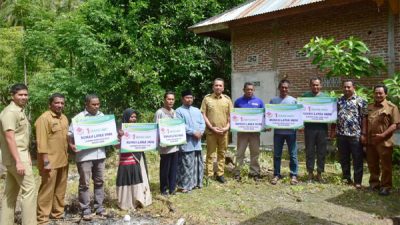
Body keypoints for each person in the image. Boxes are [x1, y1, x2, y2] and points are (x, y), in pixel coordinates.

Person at [0, 83, 37, 225]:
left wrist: (26, 155)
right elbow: (9, 138)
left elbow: (20, 138)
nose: (23, 97)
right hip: (16, 158)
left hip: (17, 157)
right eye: (20, 94)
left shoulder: (18, 111)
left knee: (9, 194)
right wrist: (19, 161)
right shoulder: (10, 112)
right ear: (12, 96)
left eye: (25, 94)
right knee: (29, 191)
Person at [68, 94, 107, 221]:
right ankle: (85, 209)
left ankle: (99, 207)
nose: (96, 106)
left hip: (100, 154)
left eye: (98, 104)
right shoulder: (79, 118)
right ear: (87, 104)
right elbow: (69, 134)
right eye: (93, 104)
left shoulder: (102, 117)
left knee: (100, 181)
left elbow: (108, 132)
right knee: (84, 183)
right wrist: (71, 145)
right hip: (84, 155)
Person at [35, 93, 69, 224]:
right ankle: (42, 218)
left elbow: (66, 138)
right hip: (49, 162)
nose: (60, 105)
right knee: (46, 190)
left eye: (62, 103)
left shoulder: (64, 118)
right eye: (57, 103)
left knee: (60, 189)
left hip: (63, 160)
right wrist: (45, 162)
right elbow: (41, 142)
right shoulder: (44, 119)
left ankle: (57, 214)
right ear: (50, 104)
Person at [332, 80, 367, 189]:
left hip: (355, 134)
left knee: (357, 158)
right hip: (341, 134)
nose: (346, 89)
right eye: (345, 87)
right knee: (344, 158)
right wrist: (333, 130)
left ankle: (357, 181)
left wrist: (364, 133)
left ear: (353, 87)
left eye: (349, 87)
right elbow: (334, 116)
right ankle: (346, 178)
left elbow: (364, 118)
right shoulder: (338, 101)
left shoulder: (360, 101)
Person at [366, 84, 400, 195]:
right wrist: (363, 135)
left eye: (380, 93)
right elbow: (365, 121)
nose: (378, 95)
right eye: (376, 93)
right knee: (372, 163)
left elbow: (395, 125)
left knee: (386, 165)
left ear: (386, 94)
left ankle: (386, 186)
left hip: (385, 140)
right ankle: (374, 183)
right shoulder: (369, 106)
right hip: (371, 141)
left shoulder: (392, 107)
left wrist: (383, 135)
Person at [116, 108, 152, 209]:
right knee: (125, 178)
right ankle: (126, 203)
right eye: (131, 117)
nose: (133, 119)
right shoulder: (120, 129)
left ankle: (139, 200)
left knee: (137, 177)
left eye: (135, 117)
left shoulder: (139, 128)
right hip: (126, 158)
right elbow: (116, 145)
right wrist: (120, 137)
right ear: (126, 117)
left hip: (137, 157)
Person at [201, 78, 233, 183]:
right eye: (216, 85)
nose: (218, 87)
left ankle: (220, 174)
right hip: (211, 132)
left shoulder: (227, 100)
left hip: (224, 132)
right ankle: (209, 175)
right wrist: (211, 127)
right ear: (213, 87)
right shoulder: (207, 99)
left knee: (222, 153)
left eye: (220, 85)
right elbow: (203, 115)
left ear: (223, 88)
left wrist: (227, 127)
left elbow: (231, 116)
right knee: (210, 154)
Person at [233, 82, 264, 181]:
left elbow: (263, 116)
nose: (249, 91)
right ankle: (238, 172)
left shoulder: (259, 102)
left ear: (254, 90)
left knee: (255, 152)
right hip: (242, 132)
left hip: (255, 133)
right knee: (240, 152)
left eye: (251, 89)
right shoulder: (238, 102)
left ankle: (254, 172)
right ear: (244, 90)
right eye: (247, 89)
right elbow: (235, 116)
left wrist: (265, 125)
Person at [269, 79, 298, 185]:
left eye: (286, 87)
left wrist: (299, 125)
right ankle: (276, 174)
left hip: (291, 132)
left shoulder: (294, 101)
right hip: (278, 133)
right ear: (279, 88)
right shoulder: (273, 101)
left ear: (288, 89)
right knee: (277, 154)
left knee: (293, 155)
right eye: (282, 87)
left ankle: (294, 175)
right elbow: (270, 115)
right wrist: (268, 124)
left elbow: (298, 115)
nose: (284, 89)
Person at [176, 90, 206, 192]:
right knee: (186, 165)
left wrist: (201, 132)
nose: (189, 99)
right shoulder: (178, 111)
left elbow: (202, 123)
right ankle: (185, 185)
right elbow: (180, 125)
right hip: (187, 143)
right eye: (187, 98)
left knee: (198, 164)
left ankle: (197, 183)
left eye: (191, 97)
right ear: (182, 99)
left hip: (197, 143)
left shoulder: (197, 110)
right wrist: (193, 132)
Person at [301, 77, 329, 182]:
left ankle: (319, 174)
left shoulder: (326, 98)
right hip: (309, 128)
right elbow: (300, 112)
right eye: (313, 85)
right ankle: (310, 173)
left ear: (320, 86)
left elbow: (331, 111)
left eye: (317, 85)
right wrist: (300, 124)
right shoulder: (305, 97)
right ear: (310, 86)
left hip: (322, 128)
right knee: (310, 151)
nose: (315, 87)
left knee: (322, 151)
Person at [154, 91, 179, 195]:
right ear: (164, 100)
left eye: (172, 99)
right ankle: (163, 189)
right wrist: (160, 141)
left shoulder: (174, 112)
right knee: (165, 168)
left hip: (175, 145)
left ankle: (172, 188)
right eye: (169, 99)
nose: (171, 101)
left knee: (174, 168)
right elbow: (156, 128)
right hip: (165, 147)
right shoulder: (159, 112)